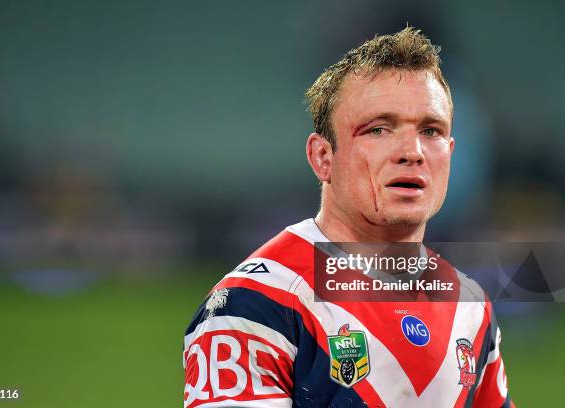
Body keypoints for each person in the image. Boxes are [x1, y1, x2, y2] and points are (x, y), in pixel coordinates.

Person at [183, 27, 514, 407]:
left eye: (431, 130)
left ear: (451, 153)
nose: (412, 151)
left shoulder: (471, 306)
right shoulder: (257, 303)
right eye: (378, 129)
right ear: (323, 158)